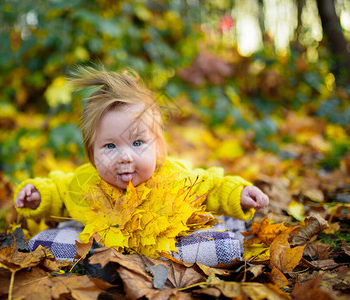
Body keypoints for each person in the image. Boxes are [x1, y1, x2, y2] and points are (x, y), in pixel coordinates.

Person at [14, 66, 269, 266]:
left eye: (137, 142)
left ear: (158, 145)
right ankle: (106, 262)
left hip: (164, 242)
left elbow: (212, 187)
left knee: (219, 243)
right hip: (105, 243)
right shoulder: (85, 183)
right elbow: (59, 191)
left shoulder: (175, 179)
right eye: (110, 146)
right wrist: (38, 196)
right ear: (91, 153)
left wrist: (239, 194)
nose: (125, 157)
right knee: (45, 244)